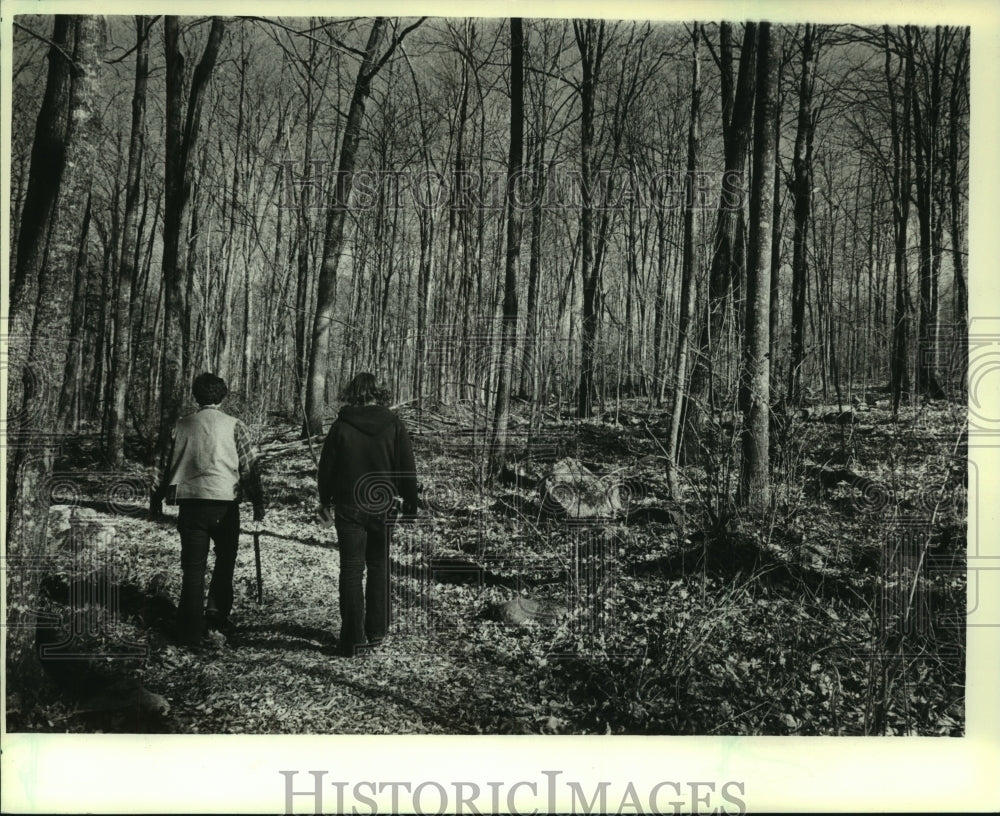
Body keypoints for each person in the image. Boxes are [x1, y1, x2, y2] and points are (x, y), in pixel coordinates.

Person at [157, 373, 266, 650]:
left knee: (193, 568)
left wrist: (155, 499)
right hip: (224, 504)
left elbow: (163, 467)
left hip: (191, 504)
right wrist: (258, 501)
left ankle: (189, 629)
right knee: (225, 561)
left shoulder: (180, 426)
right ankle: (216, 617)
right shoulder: (235, 426)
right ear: (223, 395)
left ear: (196, 396)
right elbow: (249, 467)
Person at [317, 373, 418, 657]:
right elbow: (406, 467)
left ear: (353, 394)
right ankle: (376, 631)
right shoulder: (393, 424)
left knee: (351, 570)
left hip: (349, 506)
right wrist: (411, 502)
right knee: (378, 565)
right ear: (378, 393)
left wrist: (324, 500)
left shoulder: (341, 426)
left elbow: (326, 468)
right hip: (383, 505)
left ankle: (352, 639)